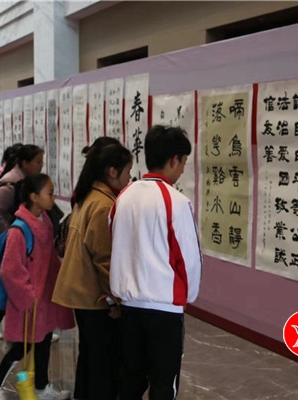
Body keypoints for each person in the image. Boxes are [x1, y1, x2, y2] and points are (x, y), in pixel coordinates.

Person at [109, 125, 203, 400]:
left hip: (129, 307)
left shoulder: (123, 197)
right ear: (174, 160)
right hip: (164, 309)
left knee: (130, 380)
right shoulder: (177, 202)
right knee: (163, 383)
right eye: (183, 162)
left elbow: (116, 244)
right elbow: (190, 260)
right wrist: (188, 296)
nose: (183, 169)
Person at [53, 138, 132, 400]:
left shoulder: (89, 195)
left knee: (90, 355)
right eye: (128, 172)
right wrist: (115, 301)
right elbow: (105, 261)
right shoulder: (104, 205)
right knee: (103, 364)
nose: (129, 179)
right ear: (113, 171)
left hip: (83, 294)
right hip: (94, 298)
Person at [0, 173, 74, 400]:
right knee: (21, 347)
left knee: (43, 342)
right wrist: (28, 296)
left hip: (44, 300)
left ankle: (42, 387)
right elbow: (9, 271)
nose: (53, 197)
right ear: (34, 196)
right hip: (27, 302)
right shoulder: (19, 231)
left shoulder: (45, 221)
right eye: (49, 193)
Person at [0, 144, 44, 339]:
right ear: (24, 163)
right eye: (37, 162)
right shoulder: (11, 184)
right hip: (17, 244)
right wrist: (12, 235)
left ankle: (35, 327)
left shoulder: (26, 181)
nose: (41, 166)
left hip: (27, 244)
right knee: (15, 285)